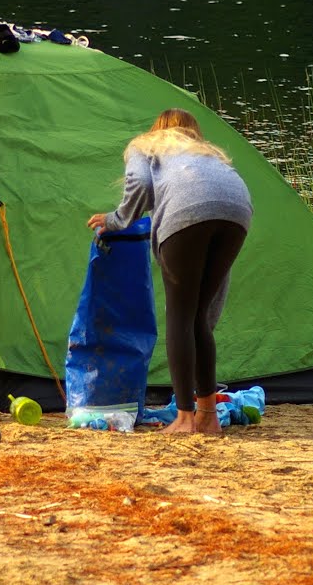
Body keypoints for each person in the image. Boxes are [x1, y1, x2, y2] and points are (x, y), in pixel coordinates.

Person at [87, 109, 253, 434]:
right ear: (193, 131)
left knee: (180, 316)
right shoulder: (207, 153)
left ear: (157, 129)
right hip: (238, 211)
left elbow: (140, 182)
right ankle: (208, 416)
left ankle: (185, 418)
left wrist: (116, 220)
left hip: (185, 213)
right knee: (198, 319)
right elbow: (217, 198)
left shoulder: (146, 144)